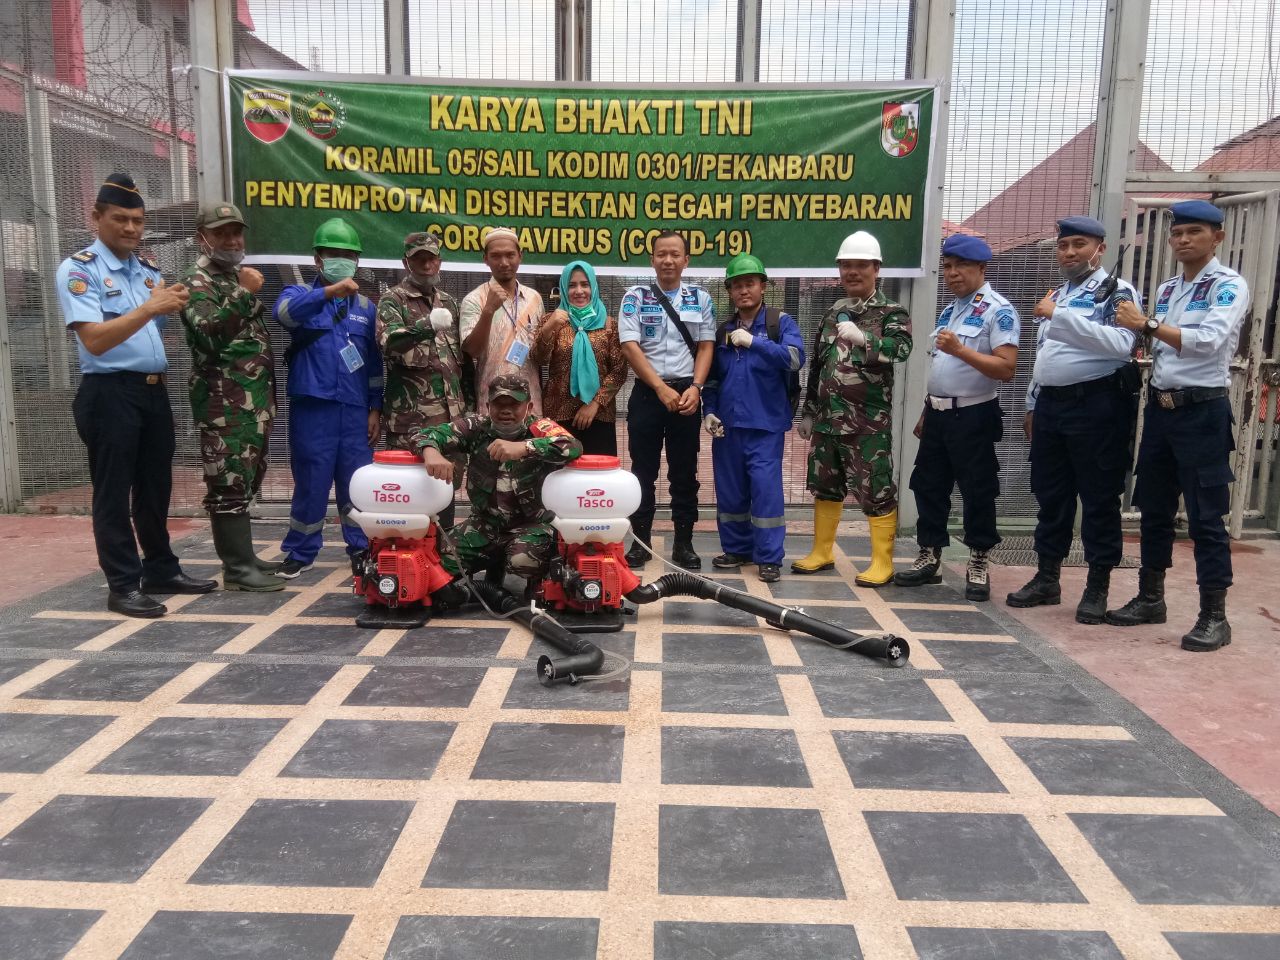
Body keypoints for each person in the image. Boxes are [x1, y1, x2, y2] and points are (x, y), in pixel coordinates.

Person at [56, 172, 215, 618]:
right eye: (121, 219)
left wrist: (169, 304)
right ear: (97, 217)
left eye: (138, 220)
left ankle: (160, 568)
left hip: (152, 392)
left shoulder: (147, 271)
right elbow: (94, 340)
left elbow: (153, 331)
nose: (130, 228)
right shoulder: (80, 270)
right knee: (113, 492)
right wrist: (149, 308)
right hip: (109, 394)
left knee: (155, 486)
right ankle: (123, 584)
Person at [1108, 200, 1249, 652]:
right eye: (1177, 233)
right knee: (1153, 508)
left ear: (1217, 238)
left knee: (1206, 516)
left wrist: (1146, 323)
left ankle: (1214, 616)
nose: (1183, 240)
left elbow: (1208, 342)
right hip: (1161, 410)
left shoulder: (1228, 285)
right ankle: (1151, 598)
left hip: (1202, 412)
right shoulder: (1170, 288)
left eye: (1193, 232)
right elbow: (1161, 346)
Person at [1007, 216, 1141, 624]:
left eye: (1078, 244)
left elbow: (1123, 344)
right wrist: (1032, 403)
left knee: (1099, 498)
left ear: (1100, 248)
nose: (1068, 253)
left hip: (1096, 406)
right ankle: (1047, 578)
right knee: (1051, 495)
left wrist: (1060, 317)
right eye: (1063, 246)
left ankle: (1097, 586)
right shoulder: (1058, 293)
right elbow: (1045, 352)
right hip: (1052, 405)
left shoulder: (1116, 291)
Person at [895, 235, 1019, 601]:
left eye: (961, 266)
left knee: (977, 490)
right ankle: (929, 555)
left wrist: (961, 349)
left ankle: (978, 560)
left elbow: (1006, 368)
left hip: (973, 415)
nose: (952, 273)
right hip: (938, 414)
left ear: (981, 267)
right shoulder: (952, 309)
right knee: (928, 485)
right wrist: (927, 410)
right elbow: (942, 367)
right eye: (947, 266)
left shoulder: (999, 310)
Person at [793, 231, 912, 587]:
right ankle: (822, 552)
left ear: (877, 269)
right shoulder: (833, 312)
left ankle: (882, 562)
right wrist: (809, 411)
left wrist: (866, 339)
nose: (852, 272)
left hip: (866, 425)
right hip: (828, 422)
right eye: (846, 265)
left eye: (861, 265)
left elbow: (901, 349)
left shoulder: (892, 312)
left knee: (876, 489)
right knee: (825, 486)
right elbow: (818, 366)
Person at [179, 201, 281, 592]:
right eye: (221, 233)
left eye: (236, 232)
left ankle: (244, 557)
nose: (232, 240)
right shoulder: (196, 282)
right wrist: (244, 292)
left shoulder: (232, 278)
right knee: (228, 482)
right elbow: (208, 332)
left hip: (252, 403)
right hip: (224, 404)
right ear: (201, 238)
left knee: (248, 476)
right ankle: (237, 569)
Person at [273, 217, 382, 578]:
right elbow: (283, 316)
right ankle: (300, 551)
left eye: (348, 255)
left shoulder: (366, 307)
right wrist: (328, 293)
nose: (342, 261)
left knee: (357, 485)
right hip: (313, 407)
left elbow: (374, 365)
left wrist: (375, 408)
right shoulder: (298, 295)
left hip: (354, 410)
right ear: (318, 259)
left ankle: (361, 547)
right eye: (334, 254)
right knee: (311, 482)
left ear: (357, 261)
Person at [417, 375, 582, 588]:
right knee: (439, 562)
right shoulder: (476, 427)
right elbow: (425, 434)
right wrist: (430, 451)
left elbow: (573, 446)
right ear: (488, 406)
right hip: (484, 524)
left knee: (523, 561)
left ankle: (537, 585)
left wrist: (526, 447)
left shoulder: (540, 427)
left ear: (529, 407)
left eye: (514, 405)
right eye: (499, 404)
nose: (506, 411)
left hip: (531, 525)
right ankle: (488, 575)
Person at [702, 254, 804, 584]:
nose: (744, 290)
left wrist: (755, 342)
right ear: (729, 291)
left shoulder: (780, 323)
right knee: (730, 492)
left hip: (765, 427)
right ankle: (736, 549)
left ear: (763, 286)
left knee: (765, 490)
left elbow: (794, 359)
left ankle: (769, 557)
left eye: (750, 283)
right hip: (728, 428)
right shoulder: (723, 331)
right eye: (737, 285)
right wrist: (709, 411)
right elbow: (713, 379)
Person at [618, 230, 716, 570]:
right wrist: (660, 387)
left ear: (686, 260)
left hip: (687, 394)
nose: (668, 260)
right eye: (662, 254)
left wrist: (697, 387)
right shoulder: (635, 296)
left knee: (684, 472)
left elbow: (706, 346)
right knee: (642, 472)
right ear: (652, 259)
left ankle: (684, 544)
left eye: (675, 254)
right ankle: (640, 543)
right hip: (648, 394)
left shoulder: (700, 298)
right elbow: (629, 346)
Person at [376, 230, 466, 528]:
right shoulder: (393, 300)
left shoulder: (449, 303)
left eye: (432, 259)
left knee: (445, 493)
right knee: (409, 495)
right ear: (406, 263)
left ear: (439, 261)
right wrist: (427, 325)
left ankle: (442, 553)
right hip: (410, 424)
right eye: (419, 259)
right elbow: (389, 343)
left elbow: (461, 363)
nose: (427, 265)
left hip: (449, 422)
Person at [531, 259, 627, 455]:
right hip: (558, 415)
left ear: (594, 287)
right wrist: (549, 328)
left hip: (599, 415)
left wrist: (594, 404)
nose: (579, 291)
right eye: (572, 285)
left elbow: (619, 371)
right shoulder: (551, 320)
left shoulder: (609, 325)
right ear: (563, 289)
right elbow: (539, 359)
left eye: (585, 284)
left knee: (598, 471)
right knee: (561, 471)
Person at [460, 227, 545, 415]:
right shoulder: (474, 299)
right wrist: (489, 310)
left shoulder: (534, 299)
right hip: (492, 405)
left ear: (520, 256)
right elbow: (472, 351)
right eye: (496, 256)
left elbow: (541, 355)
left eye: (510, 255)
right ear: (485, 259)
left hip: (530, 404)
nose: (504, 262)